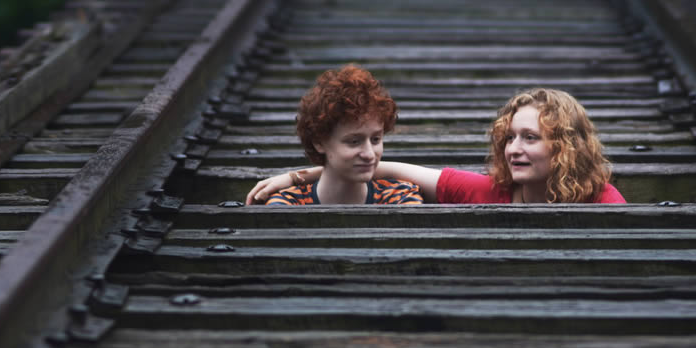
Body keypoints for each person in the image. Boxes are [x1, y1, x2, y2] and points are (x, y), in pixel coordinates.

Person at [247, 86, 626, 206]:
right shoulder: (488, 191)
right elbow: (389, 168)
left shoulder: (604, 201)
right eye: (509, 137)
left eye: (530, 138)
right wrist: (298, 176)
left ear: (565, 147)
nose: (513, 149)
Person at [257, 63, 422, 206]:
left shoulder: (399, 197)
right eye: (354, 141)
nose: (370, 154)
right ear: (319, 142)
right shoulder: (286, 204)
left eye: (376, 139)